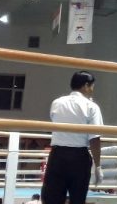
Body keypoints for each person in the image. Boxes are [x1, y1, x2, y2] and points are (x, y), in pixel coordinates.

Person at [41, 71, 104, 204]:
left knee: (52, 199)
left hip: (57, 156)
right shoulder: (91, 107)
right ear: (86, 85)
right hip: (79, 157)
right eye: (92, 86)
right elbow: (94, 139)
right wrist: (98, 166)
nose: (92, 90)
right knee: (77, 199)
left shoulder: (56, 103)